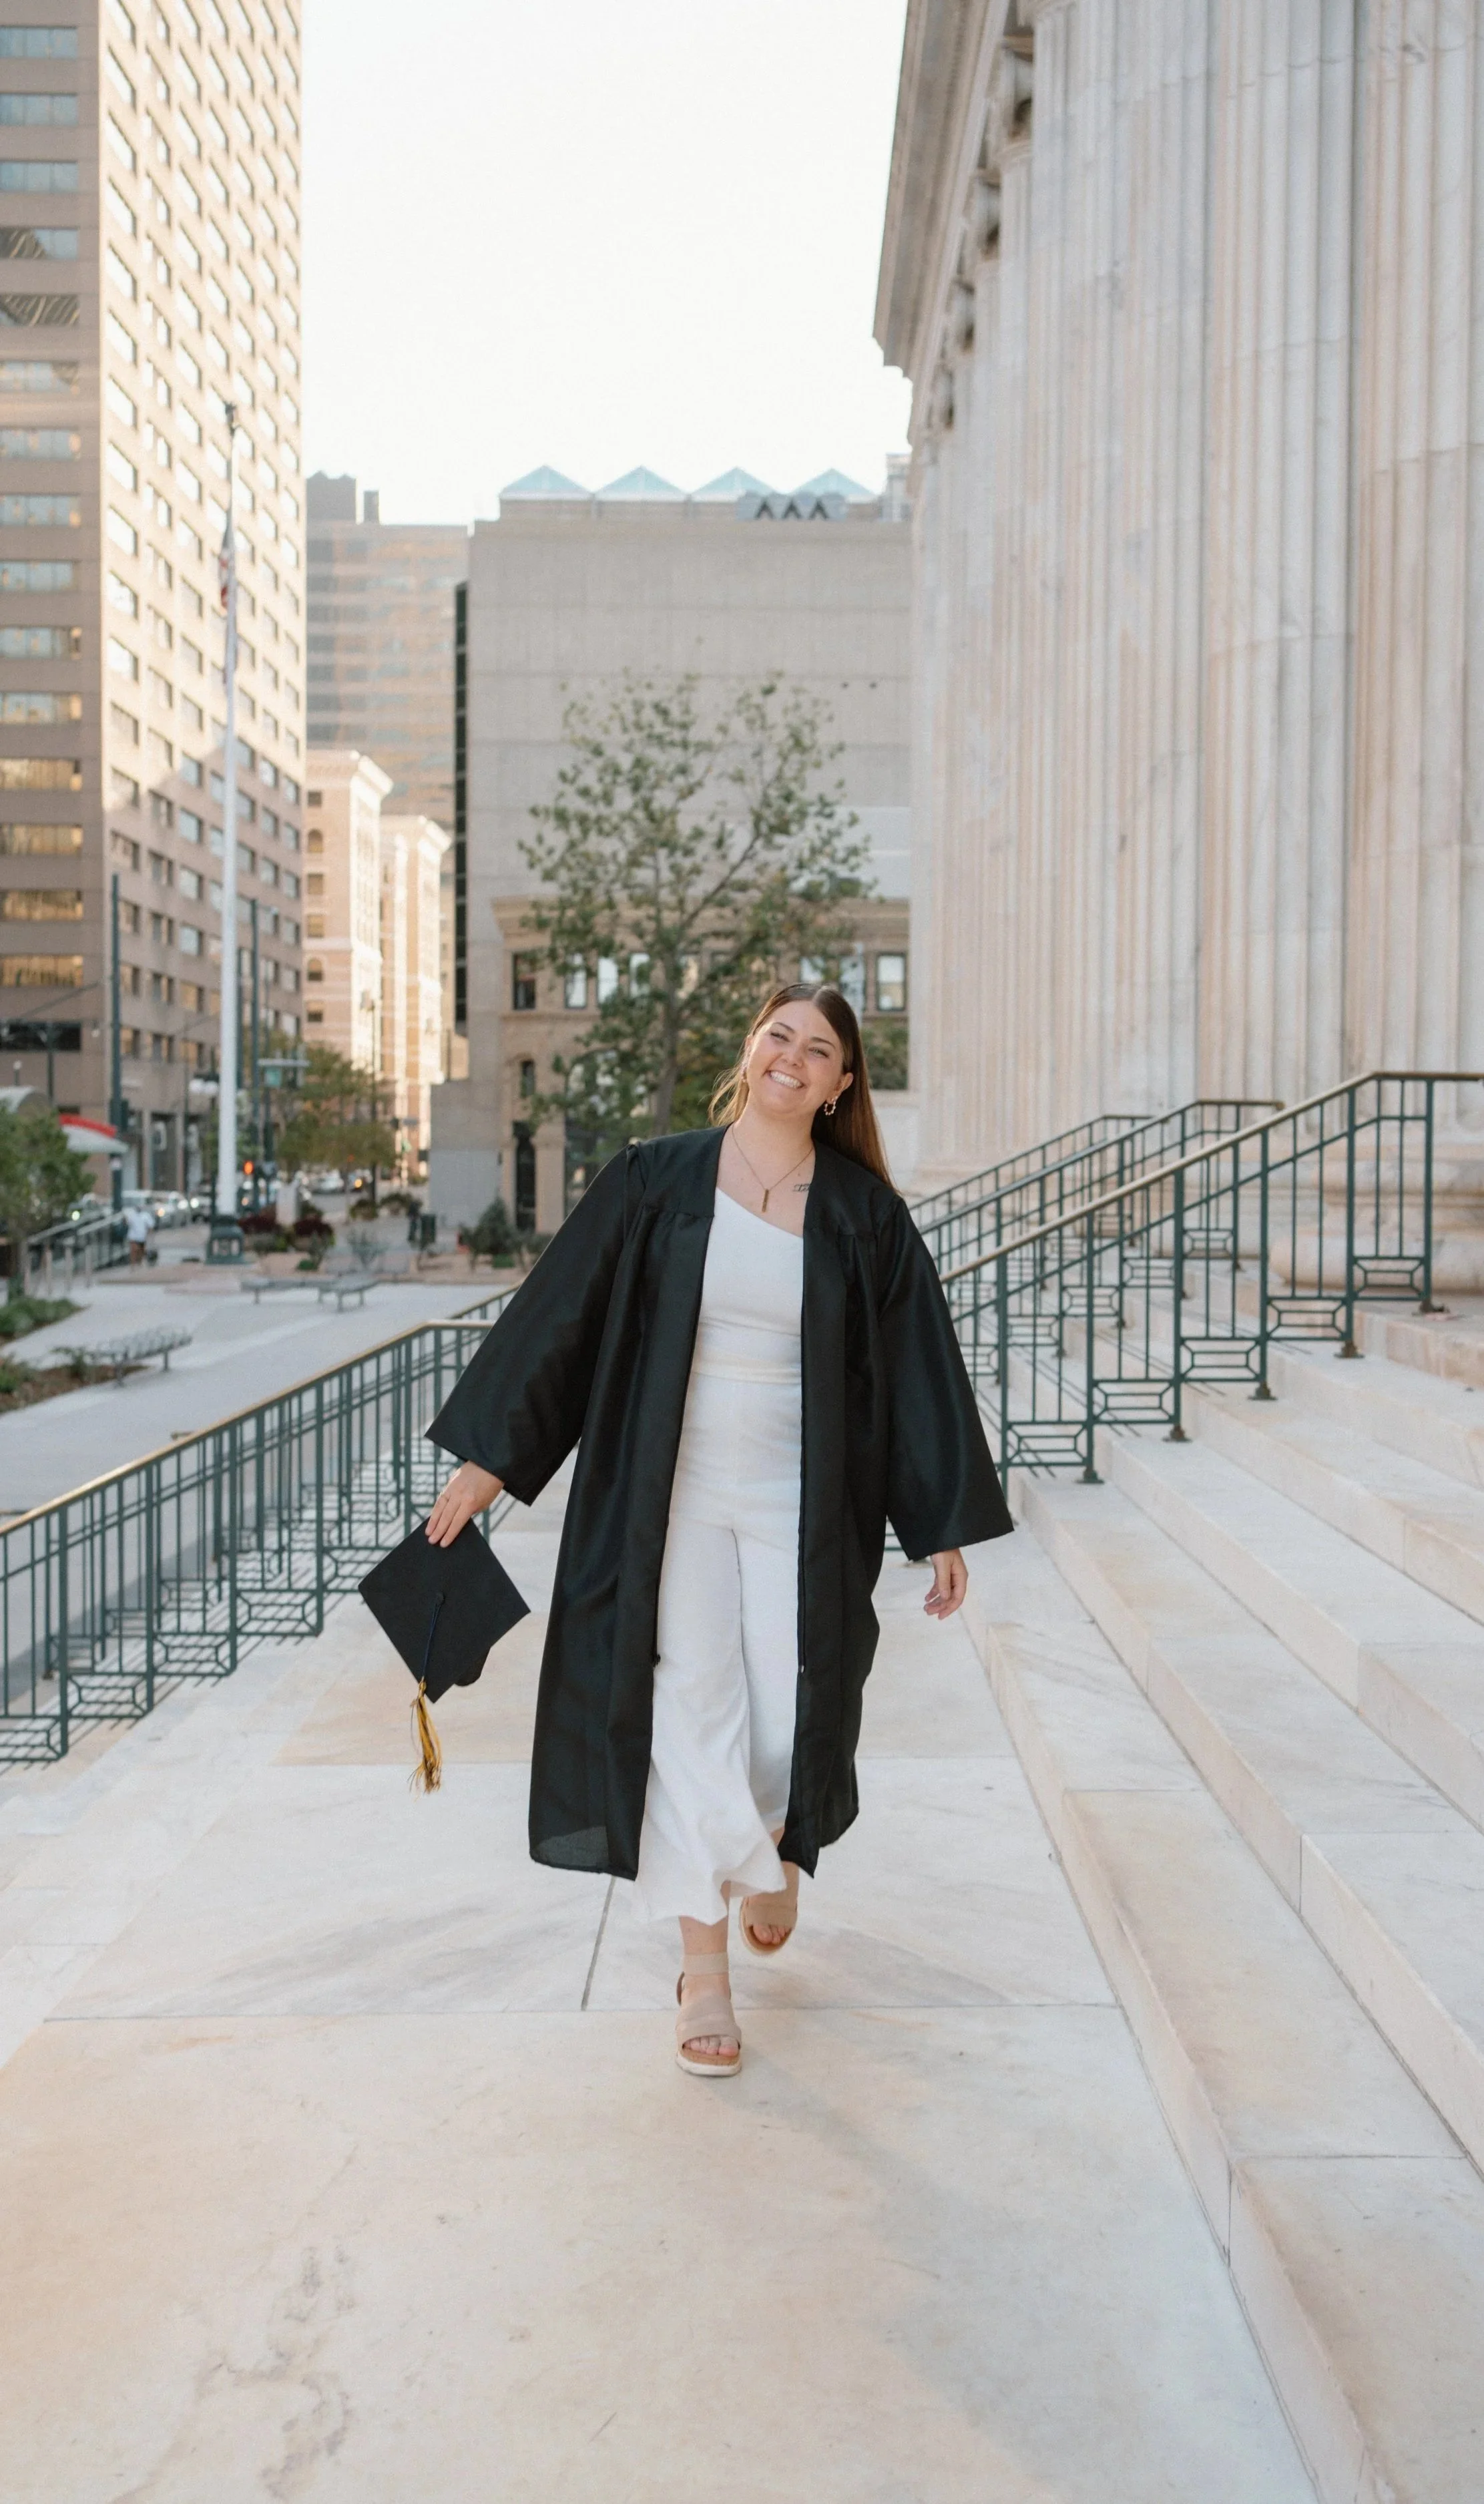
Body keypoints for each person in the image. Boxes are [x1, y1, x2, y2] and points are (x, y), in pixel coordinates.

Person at [425, 983, 1013, 2076]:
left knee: (790, 1720)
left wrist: (940, 1519)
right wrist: (488, 1463)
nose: (791, 1056)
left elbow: (918, 1370)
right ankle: (704, 1976)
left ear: (841, 1084)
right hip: (672, 1500)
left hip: (804, 1500)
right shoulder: (655, 1180)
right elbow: (561, 1318)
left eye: (819, 1048)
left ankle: (774, 1847)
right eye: (777, 1035)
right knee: (690, 1713)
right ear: (750, 1050)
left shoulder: (862, 1212)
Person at [123, 1200, 154, 1267]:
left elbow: (150, 1226)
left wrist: (149, 1235)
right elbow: (127, 1223)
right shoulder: (131, 1215)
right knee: (134, 1250)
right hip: (133, 1236)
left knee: (141, 1251)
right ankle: (133, 1265)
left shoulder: (146, 1215)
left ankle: (140, 1263)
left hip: (142, 1237)